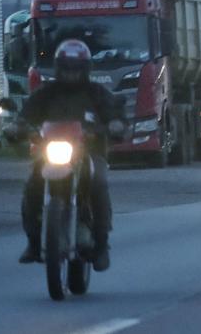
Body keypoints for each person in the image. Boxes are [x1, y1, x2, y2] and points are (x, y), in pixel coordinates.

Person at [14, 39, 125, 272]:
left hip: (90, 153)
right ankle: (33, 242)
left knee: (98, 182)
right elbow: (27, 114)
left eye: (76, 69)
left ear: (85, 69)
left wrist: (116, 123)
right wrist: (17, 126)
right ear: (58, 67)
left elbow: (114, 110)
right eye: (66, 68)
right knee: (33, 184)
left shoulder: (96, 92)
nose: (71, 74)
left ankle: (102, 243)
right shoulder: (47, 93)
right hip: (51, 153)